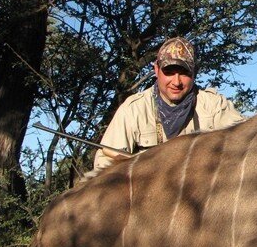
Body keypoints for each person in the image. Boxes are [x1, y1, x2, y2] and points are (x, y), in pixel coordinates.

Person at [93, 37, 244, 171]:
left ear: (195, 73)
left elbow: (247, 143)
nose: (176, 82)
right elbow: (104, 163)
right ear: (156, 70)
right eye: (169, 72)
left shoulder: (215, 105)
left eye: (184, 73)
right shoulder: (134, 109)